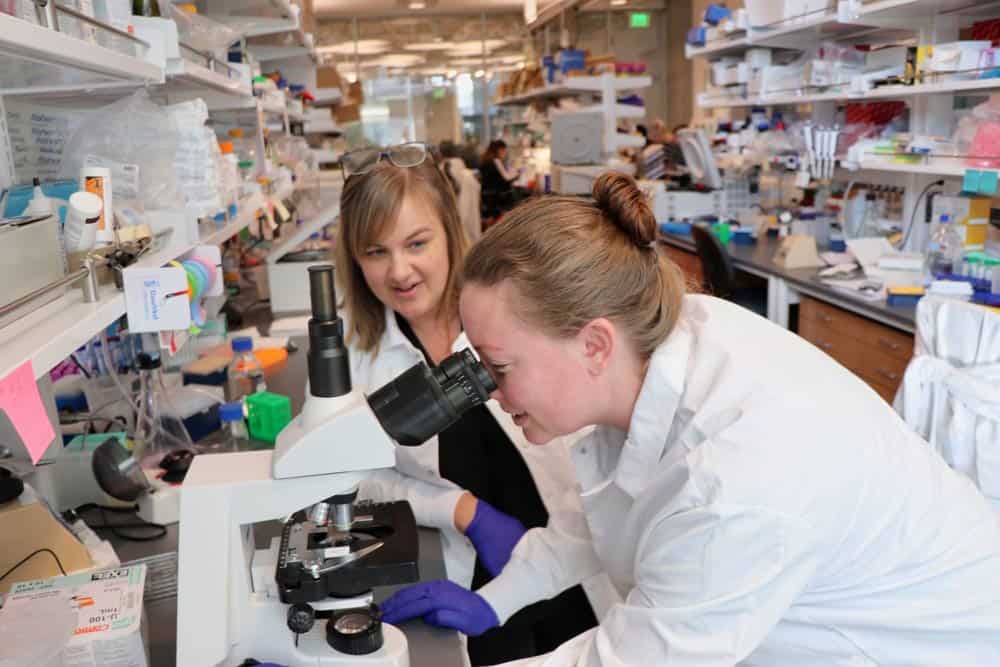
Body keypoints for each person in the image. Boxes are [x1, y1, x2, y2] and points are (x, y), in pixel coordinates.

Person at [380, 172, 1000, 665]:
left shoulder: (736, 475)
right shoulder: (650, 344)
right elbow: (596, 519)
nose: (488, 392)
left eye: (497, 366)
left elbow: (630, 659)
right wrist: (496, 602)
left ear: (593, 344)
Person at [333, 144, 617, 665]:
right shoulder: (355, 350)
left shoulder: (516, 307)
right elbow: (348, 472)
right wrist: (464, 511)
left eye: (417, 243)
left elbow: (597, 434)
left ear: (449, 229)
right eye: (375, 252)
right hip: (474, 572)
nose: (400, 270)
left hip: (575, 552)